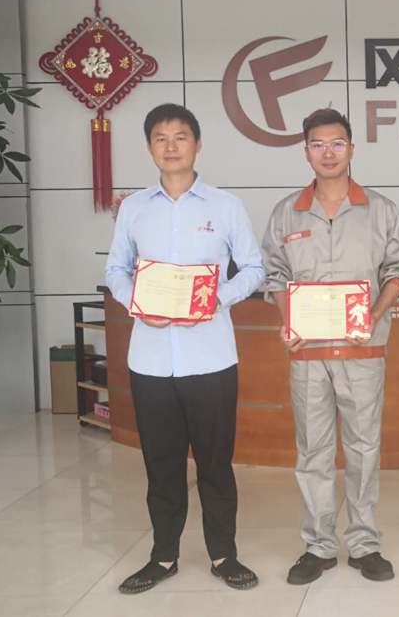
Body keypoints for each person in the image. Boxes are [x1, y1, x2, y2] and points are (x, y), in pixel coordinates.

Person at [105, 103, 266, 593]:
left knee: (215, 463)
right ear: (149, 147)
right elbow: (116, 270)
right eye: (160, 138)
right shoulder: (134, 209)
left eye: (180, 137)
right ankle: (163, 557)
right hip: (151, 360)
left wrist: (214, 299)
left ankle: (223, 555)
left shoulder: (225, 206)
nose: (171, 146)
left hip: (211, 358)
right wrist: (138, 303)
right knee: (161, 464)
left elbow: (254, 269)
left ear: (197, 144)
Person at [260, 109, 399, 585]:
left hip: (361, 350)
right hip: (307, 353)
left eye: (337, 143)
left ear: (351, 149)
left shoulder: (381, 209)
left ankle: (365, 543)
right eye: (317, 144)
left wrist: (373, 313)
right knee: (313, 450)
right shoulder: (286, 212)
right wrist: (289, 318)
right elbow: (274, 275)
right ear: (305, 151)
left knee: (364, 448)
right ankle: (319, 545)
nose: (328, 153)